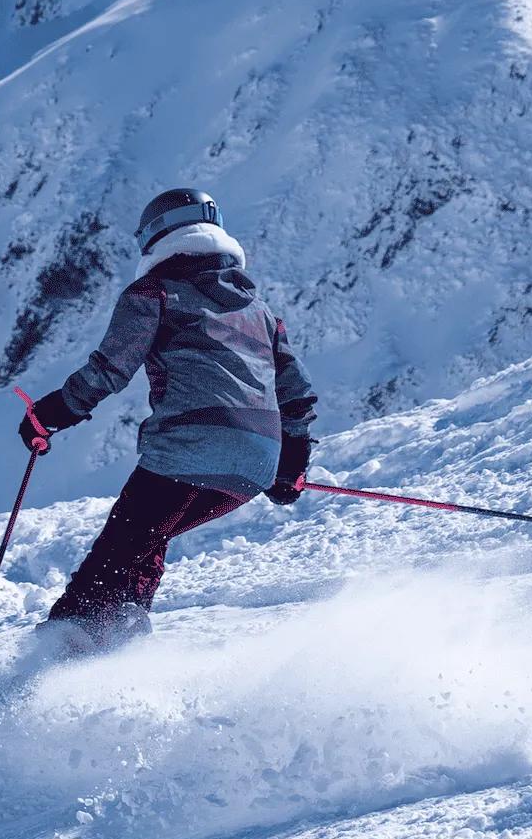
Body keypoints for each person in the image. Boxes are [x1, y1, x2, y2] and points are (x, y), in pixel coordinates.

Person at [21, 188, 317, 651]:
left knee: (118, 546)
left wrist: (52, 412)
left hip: (188, 446)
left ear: (156, 236)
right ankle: (121, 635)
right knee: (145, 537)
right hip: (257, 462)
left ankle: (53, 655)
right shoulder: (260, 311)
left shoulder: (154, 292)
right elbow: (296, 394)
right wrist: (290, 464)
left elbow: (112, 367)